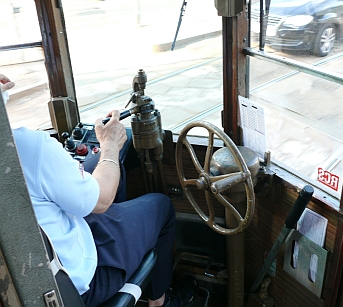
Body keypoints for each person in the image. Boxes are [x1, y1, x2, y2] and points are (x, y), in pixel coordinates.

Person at [1, 74, 197, 307]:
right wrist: (110, 146)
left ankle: (122, 240)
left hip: (28, 272)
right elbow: (102, 201)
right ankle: (160, 302)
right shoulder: (25, 147)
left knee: (111, 171)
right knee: (161, 205)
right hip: (73, 285)